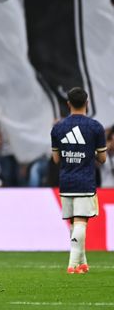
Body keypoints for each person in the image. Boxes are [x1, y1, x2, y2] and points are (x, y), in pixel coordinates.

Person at [50, 87, 107, 274]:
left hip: (66, 181)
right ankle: (72, 264)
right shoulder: (96, 127)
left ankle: (82, 263)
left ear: (68, 104)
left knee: (75, 224)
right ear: (87, 103)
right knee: (81, 222)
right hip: (85, 181)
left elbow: (56, 159)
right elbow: (103, 158)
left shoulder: (58, 127)